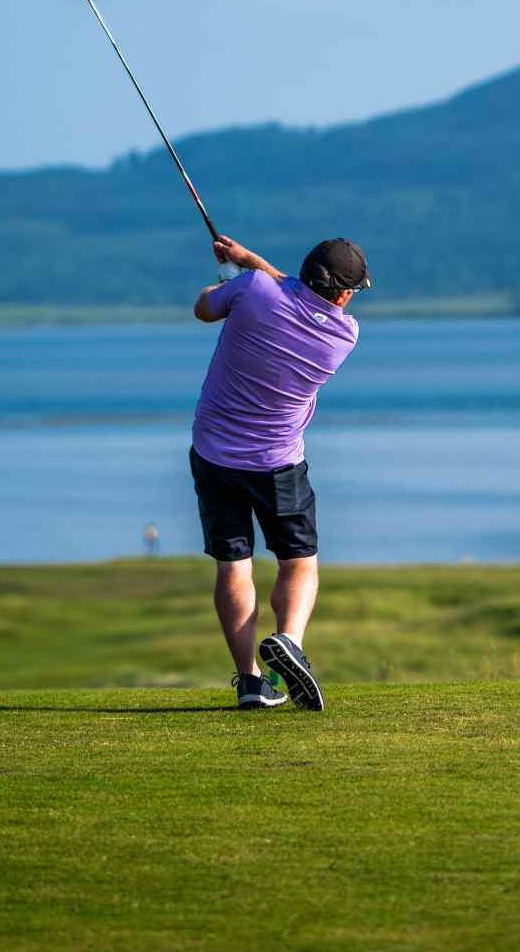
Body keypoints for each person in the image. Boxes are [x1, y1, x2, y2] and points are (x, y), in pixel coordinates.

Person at [189, 233, 368, 710]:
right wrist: (247, 263)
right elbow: (287, 293)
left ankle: (250, 682)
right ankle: (289, 640)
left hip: (213, 453)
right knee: (298, 561)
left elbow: (204, 308)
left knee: (233, 565)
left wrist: (231, 275)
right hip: (278, 463)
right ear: (346, 294)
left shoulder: (253, 291)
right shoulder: (343, 335)